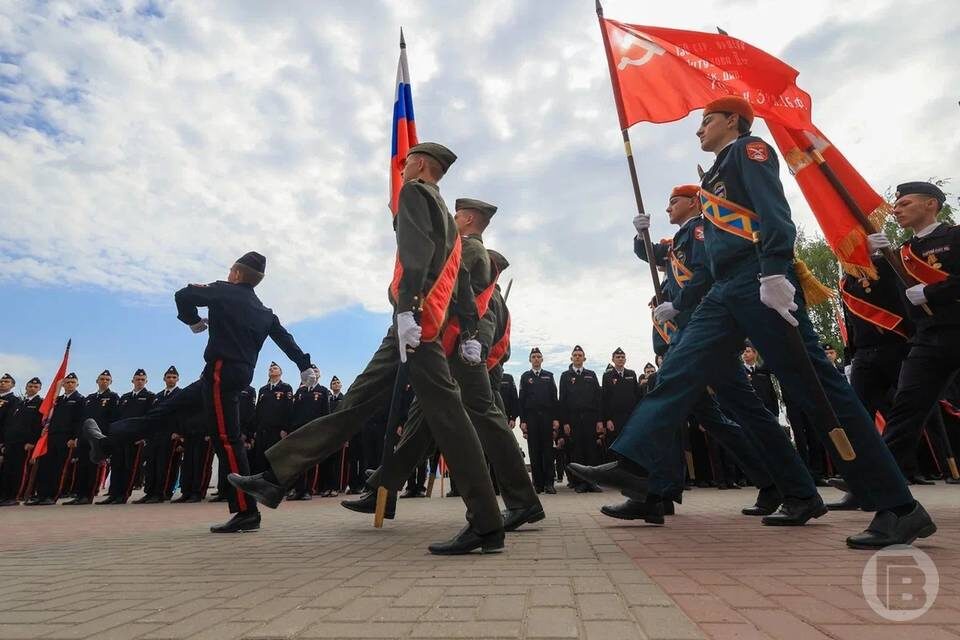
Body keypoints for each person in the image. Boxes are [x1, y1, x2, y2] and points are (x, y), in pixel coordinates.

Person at [568, 97, 934, 548]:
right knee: (677, 370)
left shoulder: (750, 151)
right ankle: (636, 463)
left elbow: (775, 213)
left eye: (706, 120)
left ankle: (899, 507)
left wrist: (775, 270)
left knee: (820, 391)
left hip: (758, 280)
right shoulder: (715, 177)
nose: (698, 129)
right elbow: (700, 252)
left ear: (732, 121)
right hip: (723, 292)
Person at [228, 143, 506, 555]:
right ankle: (275, 476)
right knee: (356, 402)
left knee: (449, 419)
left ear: (421, 165)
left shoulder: (415, 193)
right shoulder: (447, 220)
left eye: (407, 162)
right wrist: (466, 329)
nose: (403, 167)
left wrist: (409, 311)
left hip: (416, 325)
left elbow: (416, 256)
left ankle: (486, 522)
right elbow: (460, 280)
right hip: (415, 325)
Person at [595, 183, 818, 523]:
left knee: (683, 399)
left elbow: (706, 274)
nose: (668, 208)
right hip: (695, 333)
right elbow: (652, 254)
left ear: (693, 202)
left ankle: (652, 491)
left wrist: (678, 304)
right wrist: (641, 236)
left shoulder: (701, 230)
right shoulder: (678, 241)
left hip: (708, 332)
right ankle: (660, 493)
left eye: (674, 201)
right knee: (717, 416)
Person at [84, 251, 313, 532]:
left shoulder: (223, 290)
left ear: (237, 274)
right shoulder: (265, 312)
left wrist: (192, 320)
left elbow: (183, 294)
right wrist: (304, 364)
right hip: (226, 375)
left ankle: (246, 511)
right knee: (165, 412)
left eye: (230, 271)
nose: (228, 274)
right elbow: (285, 339)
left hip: (221, 372)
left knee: (227, 440)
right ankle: (107, 443)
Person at [866, 182, 960, 496]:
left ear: (931, 204)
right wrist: (871, 255)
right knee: (906, 409)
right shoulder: (902, 253)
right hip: (929, 338)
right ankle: (882, 485)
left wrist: (933, 291)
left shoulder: (954, 237)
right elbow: (878, 293)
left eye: (905, 203)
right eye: (895, 205)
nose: (896, 210)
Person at [28, 372, 84, 505]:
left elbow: (79, 421)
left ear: (77, 385)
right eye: (67, 382)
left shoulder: (79, 399)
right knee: (45, 466)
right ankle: (41, 495)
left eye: (72, 382)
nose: (69, 384)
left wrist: (74, 437)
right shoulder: (57, 400)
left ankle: (52, 496)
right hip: (51, 436)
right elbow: (48, 416)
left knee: (59, 468)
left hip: (65, 438)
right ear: (63, 384)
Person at [99, 369, 154, 505]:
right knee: (116, 465)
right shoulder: (125, 397)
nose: (139, 381)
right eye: (137, 379)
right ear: (132, 381)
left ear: (146, 381)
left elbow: (149, 418)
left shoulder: (149, 397)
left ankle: (123, 495)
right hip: (120, 437)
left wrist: (144, 436)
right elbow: (117, 417)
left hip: (135, 439)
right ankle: (113, 494)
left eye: (142, 380)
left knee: (129, 467)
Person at [135, 366, 182, 504]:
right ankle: (149, 492)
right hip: (155, 435)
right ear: (164, 379)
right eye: (169, 377)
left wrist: (179, 433)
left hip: (170, 435)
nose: (171, 379)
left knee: (164, 465)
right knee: (151, 464)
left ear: (178, 379)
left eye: (174, 377)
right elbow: (152, 416)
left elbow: (182, 415)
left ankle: (162, 493)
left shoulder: (180, 394)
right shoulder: (158, 396)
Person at [559, 346, 604, 492]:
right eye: (575, 355)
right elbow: (562, 400)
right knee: (577, 451)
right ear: (571, 358)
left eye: (580, 355)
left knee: (591, 450)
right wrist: (565, 422)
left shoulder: (591, 374)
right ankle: (580, 482)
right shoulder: (565, 376)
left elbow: (598, 398)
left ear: (584, 358)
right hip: (573, 418)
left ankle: (592, 482)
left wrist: (599, 420)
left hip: (590, 417)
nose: (577, 357)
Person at [519, 347, 560, 494]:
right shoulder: (525, 377)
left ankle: (549, 483)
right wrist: (523, 420)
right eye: (534, 357)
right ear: (530, 360)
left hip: (547, 417)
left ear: (542, 359)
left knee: (548, 450)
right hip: (531, 417)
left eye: (538, 356)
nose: (536, 359)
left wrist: (556, 418)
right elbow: (521, 400)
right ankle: (538, 484)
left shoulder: (549, 376)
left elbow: (554, 398)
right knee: (534, 450)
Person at [289, 366, 329, 500]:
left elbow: (326, 412)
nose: (313, 373)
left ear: (319, 375)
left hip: (315, 430)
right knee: (298, 461)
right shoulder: (300, 391)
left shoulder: (323, 391)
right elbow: (294, 411)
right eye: (311, 371)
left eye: (316, 371)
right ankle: (298, 489)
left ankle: (308, 490)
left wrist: (323, 431)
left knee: (311, 461)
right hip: (299, 430)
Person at [0, 377, 42, 506]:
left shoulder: (40, 403)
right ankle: (5, 496)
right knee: (7, 469)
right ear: (26, 387)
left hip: (24, 443)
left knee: (19, 470)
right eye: (30, 386)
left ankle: (15, 496)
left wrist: (32, 441)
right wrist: (5, 442)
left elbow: (38, 425)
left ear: (39, 389)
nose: (32, 388)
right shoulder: (20, 403)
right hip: (12, 441)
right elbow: (10, 423)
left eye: (35, 387)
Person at [250, 363, 293, 476]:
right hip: (262, 430)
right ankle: (259, 483)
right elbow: (258, 410)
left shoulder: (286, 388)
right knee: (260, 460)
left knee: (274, 460)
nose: (271, 369)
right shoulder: (263, 389)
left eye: (274, 368)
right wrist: (255, 429)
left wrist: (285, 429)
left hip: (277, 431)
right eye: (270, 368)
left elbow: (289, 409)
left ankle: (273, 484)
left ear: (280, 372)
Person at [601, 348, 641, 457]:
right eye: (618, 357)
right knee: (615, 447)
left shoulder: (631, 374)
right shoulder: (607, 376)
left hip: (630, 417)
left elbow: (637, 396)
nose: (620, 359)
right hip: (614, 419)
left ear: (625, 360)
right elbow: (604, 399)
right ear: (613, 359)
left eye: (622, 357)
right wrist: (607, 419)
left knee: (630, 445)